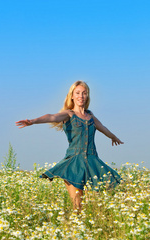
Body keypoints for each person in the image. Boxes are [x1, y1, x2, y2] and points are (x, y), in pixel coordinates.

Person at [15, 80, 123, 211]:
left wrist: (113, 137)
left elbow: (103, 128)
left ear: (87, 96)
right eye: (77, 93)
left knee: (100, 201)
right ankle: (75, 227)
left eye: (84, 93)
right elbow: (52, 117)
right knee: (78, 206)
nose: (81, 96)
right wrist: (33, 121)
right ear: (72, 96)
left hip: (92, 161)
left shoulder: (91, 117)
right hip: (74, 163)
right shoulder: (68, 114)